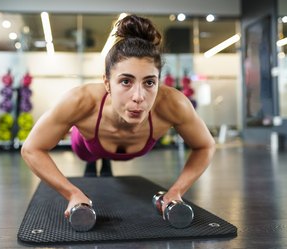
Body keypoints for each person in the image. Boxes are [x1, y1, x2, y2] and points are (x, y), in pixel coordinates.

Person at [21, 14, 216, 219]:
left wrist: (176, 191)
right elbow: (31, 149)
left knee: (103, 160)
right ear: (107, 83)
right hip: (89, 144)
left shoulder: (173, 104)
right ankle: (97, 159)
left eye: (149, 82)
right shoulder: (81, 101)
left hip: (131, 145)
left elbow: (206, 145)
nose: (139, 97)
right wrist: (73, 193)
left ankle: (105, 160)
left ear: (159, 81)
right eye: (125, 81)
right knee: (89, 156)